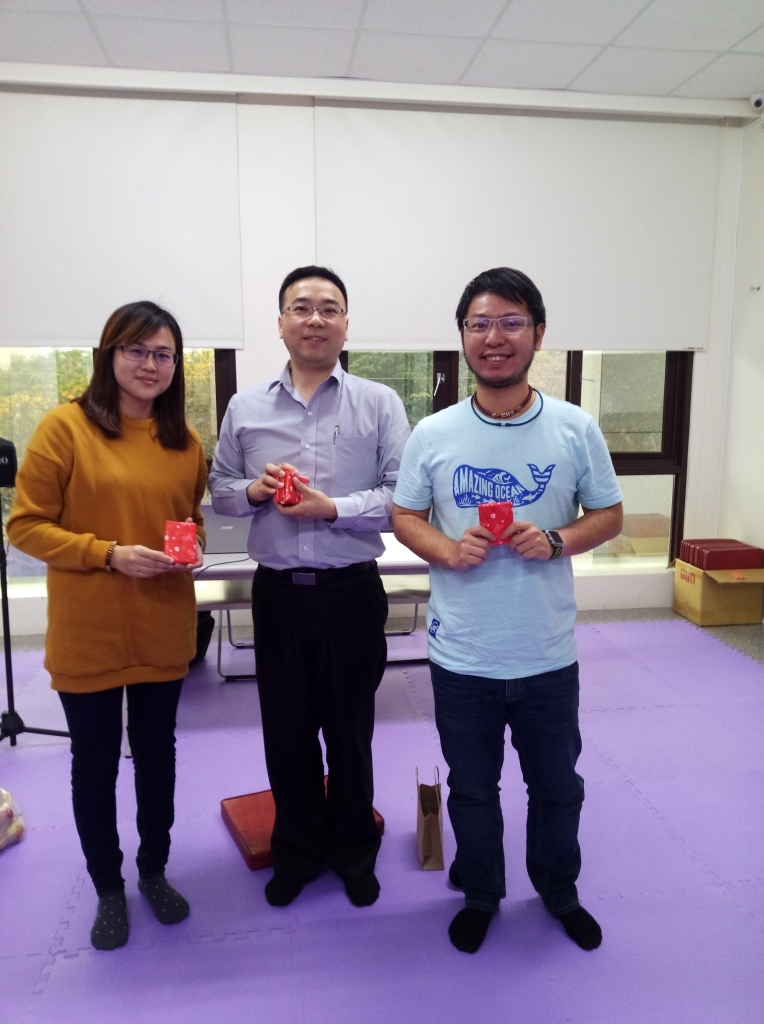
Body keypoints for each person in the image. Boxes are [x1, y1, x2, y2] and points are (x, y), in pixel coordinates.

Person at [392, 267, 623, 954]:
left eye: (511, 322)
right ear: (463, 336)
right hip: (462, 655)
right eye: (480, 324)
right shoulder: (434, 433)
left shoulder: (574, 428)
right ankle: (482, 894)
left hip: (547, 653)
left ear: (538, 334)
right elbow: (404, 515)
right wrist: (445, 548)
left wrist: (556, 540)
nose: (494, 337)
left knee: (558, 789)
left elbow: (608, 514)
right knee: (471, 789)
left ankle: (558, 890)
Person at [8, 301, 207, 951]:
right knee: (93, 766)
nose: (150, 364)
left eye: (163, 354)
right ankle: (107, 889)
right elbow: (25, 526)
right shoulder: (65, 428)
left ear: (176, 366)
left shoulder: (184, 442)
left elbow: (189, 518)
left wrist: (192, 545)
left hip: (162, 626)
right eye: (136, 350)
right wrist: (108, 553)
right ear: (109, 354)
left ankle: (153, 871)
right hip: (89, 631)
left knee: (157, 759)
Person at [209, 265, 410, 908]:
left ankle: (353, 849)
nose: (315, 319)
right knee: (286, 733)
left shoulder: (378, 403)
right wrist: (252, 490)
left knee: (350, 732)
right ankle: (296, 851)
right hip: (278, 597)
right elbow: (219, 492)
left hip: (351, 593)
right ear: (281, 323)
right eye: (301, 307)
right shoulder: (245, 407)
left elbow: (403, 498)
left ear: (346, 324)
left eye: (329, 308)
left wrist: (333, 509)